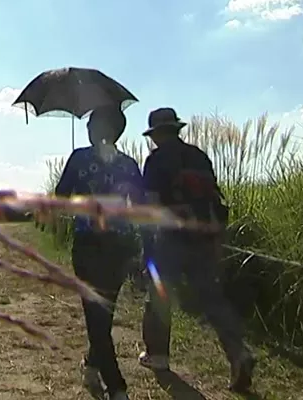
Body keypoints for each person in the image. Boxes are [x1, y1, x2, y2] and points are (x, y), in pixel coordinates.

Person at [137, 107, 257, 393]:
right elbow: (215, 199)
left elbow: (151, 206)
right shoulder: (199, 156)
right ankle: (238, 353)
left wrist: (147, 247)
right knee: (213, 300)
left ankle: (158, 356)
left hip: (170, 238)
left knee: (159, 296)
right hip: (204, 236)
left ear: (155, 134)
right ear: (176, 129)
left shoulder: (155, 161)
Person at [53, 105, 144, 400]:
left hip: (88, 244)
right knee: (103, 314)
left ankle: (117, 387)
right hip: (120, 246)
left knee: (97, 318)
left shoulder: (80, 158)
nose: (88, 127)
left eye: (91, 122)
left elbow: (61, 197)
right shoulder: (129, 163)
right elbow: (139, 204)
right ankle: (92, 366)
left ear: (98, 128)